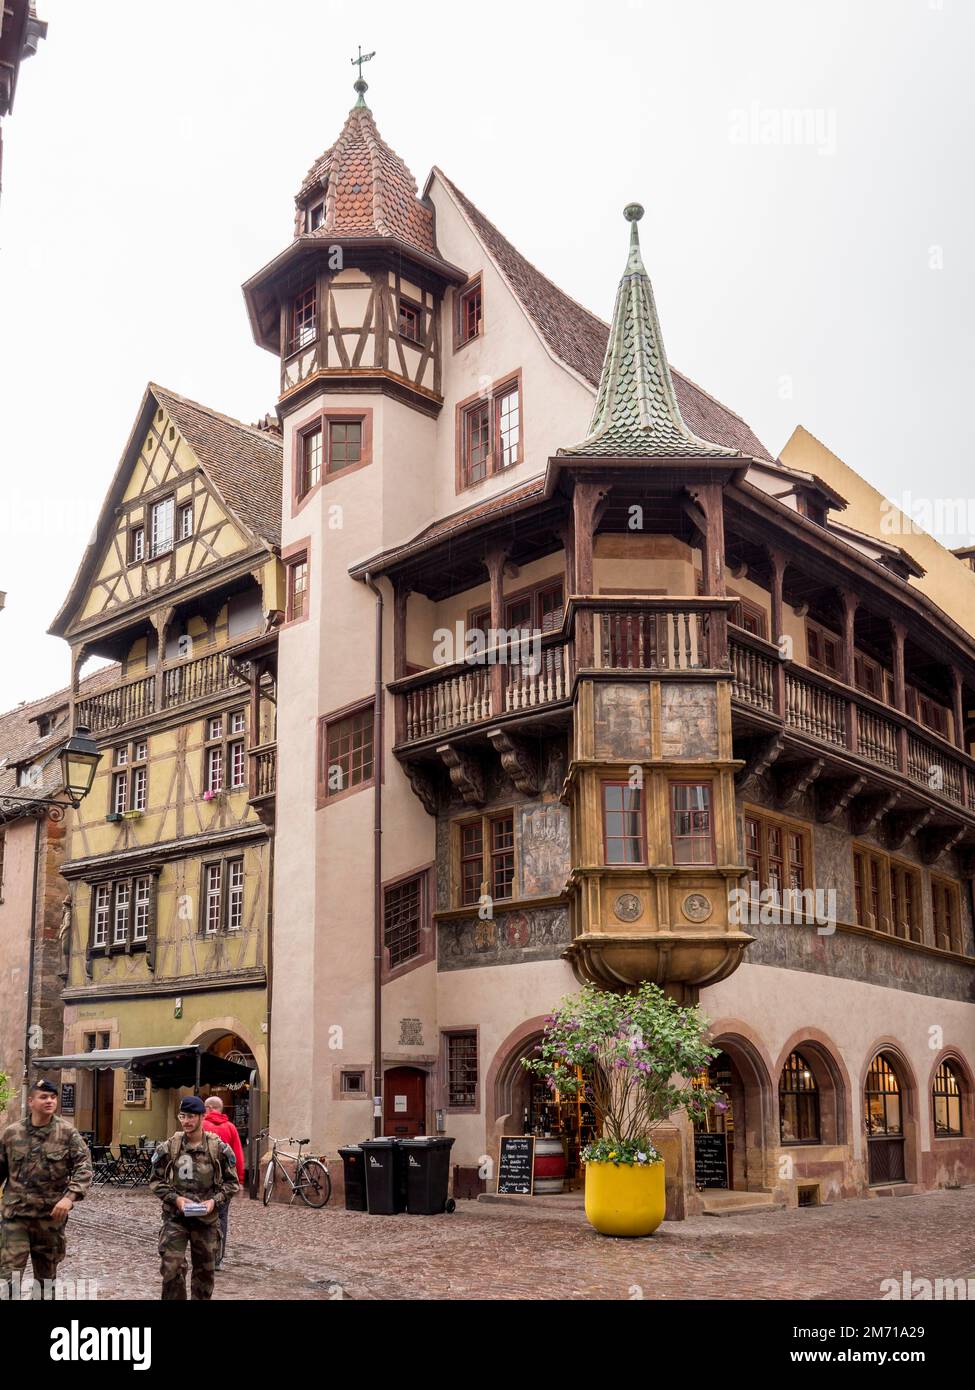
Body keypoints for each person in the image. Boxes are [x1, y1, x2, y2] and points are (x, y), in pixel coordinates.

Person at [0, 1079, 93, 1298]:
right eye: (43, 1097)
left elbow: (85, 1168)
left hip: (50, 1219)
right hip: (15, 1218)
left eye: (52, 1097)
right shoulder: (12, 1134)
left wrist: (69, 1198)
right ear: (31, 1101)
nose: (49, 1100)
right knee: (8, 1278)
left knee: (45, 1282)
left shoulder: (67, 1134)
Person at [150, 1095, 239, 1300]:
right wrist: (176, 1199)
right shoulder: (170, 1146)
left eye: (191, 1116)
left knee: (204, 1274)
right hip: (175, 1218)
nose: (186, 1121)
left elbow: (231, 1183)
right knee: (172, 1267)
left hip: (206, 1221)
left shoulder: (217, 1148)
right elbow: (156, 1180)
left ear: (202, 1117)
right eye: (183, 1116)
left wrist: (214, 1202)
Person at [202, 1096, 244, 1268]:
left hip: (204, 1179)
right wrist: (240, 1180)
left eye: (205, 1107)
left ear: (210, 1108)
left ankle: (203, 1254)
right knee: (222, 1218)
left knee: (202, 1215)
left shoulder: (202, 1125)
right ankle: (217, 1258)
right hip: (225, 1182)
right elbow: (238, 1155)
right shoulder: (231, 1127)